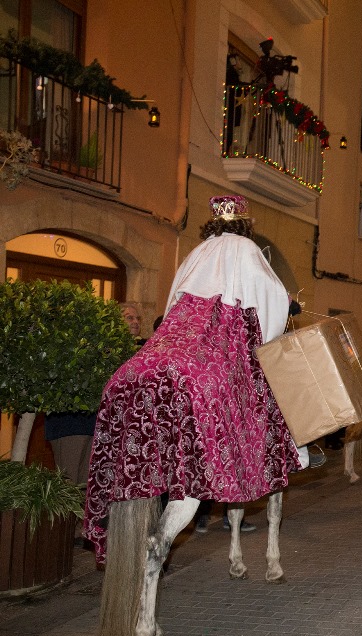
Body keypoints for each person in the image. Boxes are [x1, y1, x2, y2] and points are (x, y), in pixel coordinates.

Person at [83, 195, 305, 563]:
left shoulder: (196, 253)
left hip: (165, 348)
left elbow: (172, 304)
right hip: (214, 352)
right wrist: (287, 306)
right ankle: (285, 455)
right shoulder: (248, 250)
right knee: (268, 406)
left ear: (211, 225)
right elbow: (271, 305)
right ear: (244, 225)